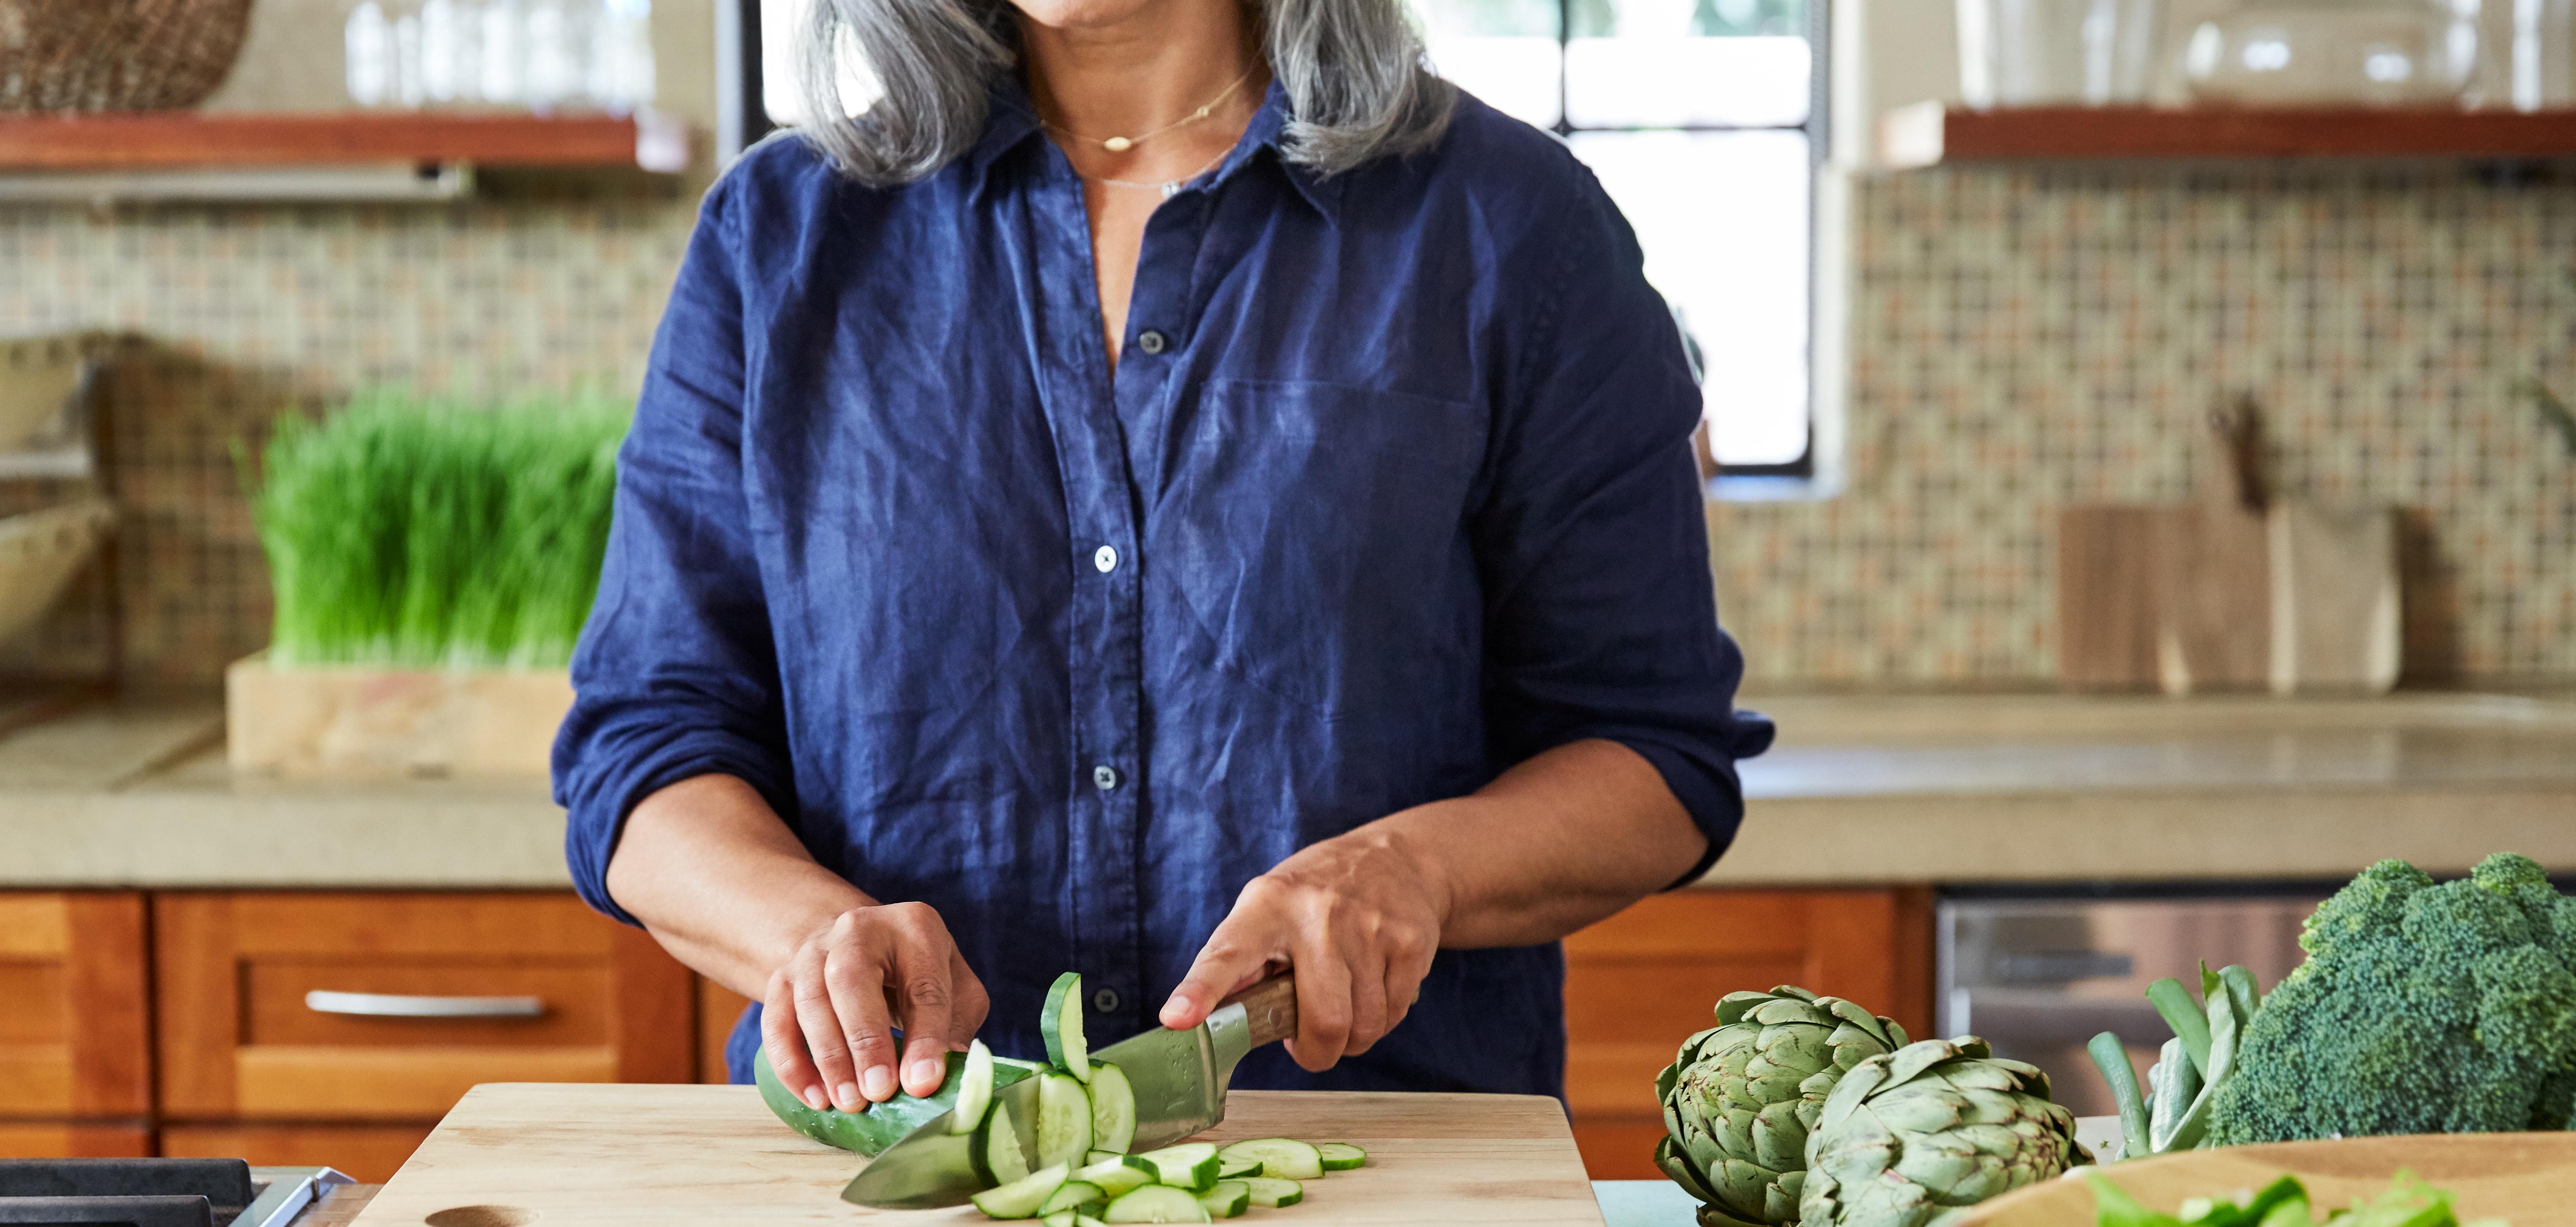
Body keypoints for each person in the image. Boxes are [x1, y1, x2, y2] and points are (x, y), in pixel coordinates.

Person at [552, 0, 1772, 1116]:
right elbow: (647, 745)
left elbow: (1652, 755)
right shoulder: (777, 238)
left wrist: (1416, 869)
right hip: (894, 1166)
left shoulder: (1514, 226)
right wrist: (804, 930)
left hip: (1376, 1168)